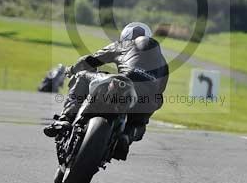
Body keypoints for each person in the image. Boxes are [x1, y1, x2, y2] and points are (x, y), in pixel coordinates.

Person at [44, 22, 169, 157]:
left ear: (126, 36)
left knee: (82, 76)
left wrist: (72, 70)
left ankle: (66, 118)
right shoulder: (163, 62)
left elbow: (90, 61)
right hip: (148, 100)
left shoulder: (124, 45)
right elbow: (160, 91)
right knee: (140, 122)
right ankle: (127, 136)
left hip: (122, 83)